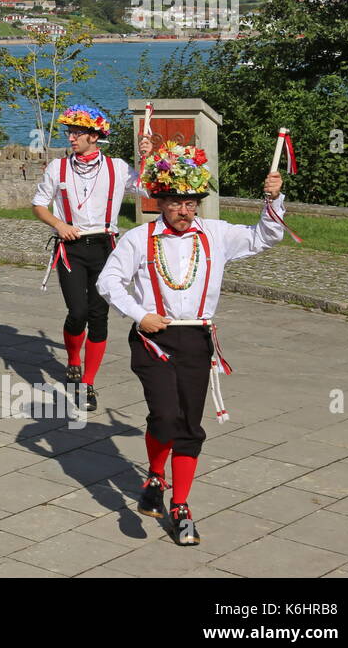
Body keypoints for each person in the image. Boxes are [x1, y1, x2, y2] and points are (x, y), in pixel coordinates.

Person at [98, 144, 286, 547]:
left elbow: (265, 236)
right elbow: (108, 281)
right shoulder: (137, 238)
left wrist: (273, 199)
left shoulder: (216, 234)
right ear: (160, 202)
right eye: (175, 203)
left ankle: (180, 506)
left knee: (188, 426)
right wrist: (139, 314)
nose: (184, 211)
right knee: (165, 416)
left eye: (191, 203)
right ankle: (154, 473)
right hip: (153, 337)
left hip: (197, 337)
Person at [31, 105, 153, 412]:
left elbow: (146, 186)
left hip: (106, 248)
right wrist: (59, 224)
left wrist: (148, 156)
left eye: (77, 133)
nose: (71, 138)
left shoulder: (117, 168)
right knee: (78, 312)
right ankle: (73, 358)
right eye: (69, 132)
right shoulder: (57, 168)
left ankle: (87, 382)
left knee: (99, 317)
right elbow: (39, 205)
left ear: (95, 136)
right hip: (70, 248)